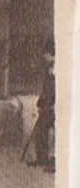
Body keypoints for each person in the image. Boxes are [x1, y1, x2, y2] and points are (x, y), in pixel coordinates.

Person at [30, 37, 57, 172]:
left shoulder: (60, 68)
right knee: (41, 131)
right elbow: (45, 87)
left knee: (54, 133)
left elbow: (56, 89)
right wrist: (40, 102)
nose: (44, 57)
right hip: (46, 105)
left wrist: (53, 103)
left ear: (50, 53)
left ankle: (53, 161)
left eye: (45, 54)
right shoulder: (49, 68)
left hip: (54, 106)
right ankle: (42, 158)